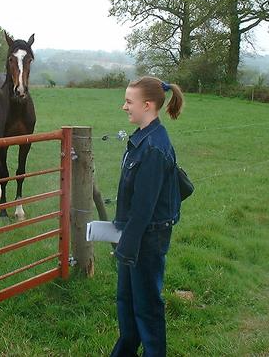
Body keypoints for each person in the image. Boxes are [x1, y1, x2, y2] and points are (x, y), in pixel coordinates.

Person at [111, 76, 184, 357]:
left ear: (147, 104)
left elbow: (144, 207)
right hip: (135, 235)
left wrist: (126, 245)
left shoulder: (153, 147)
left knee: (147, 308)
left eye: (129, 102)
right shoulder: (143, 139)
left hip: (147, 238)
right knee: (126, 302)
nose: (124, 107)